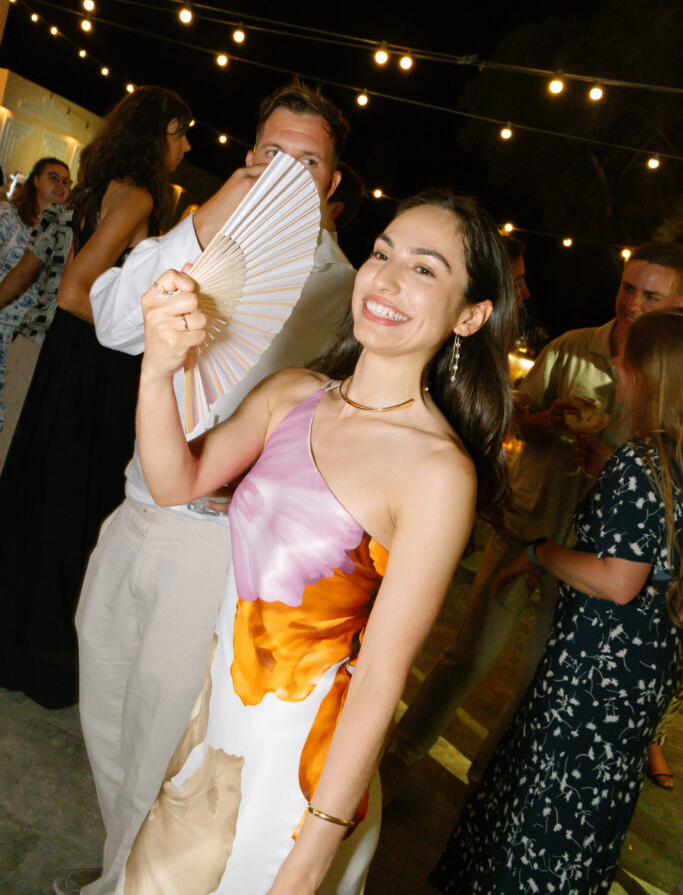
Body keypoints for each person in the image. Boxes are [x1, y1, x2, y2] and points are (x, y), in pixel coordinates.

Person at [113, 186, 516, 895]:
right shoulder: (290, 394)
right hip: (211, 733)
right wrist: (158, 368)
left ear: (470, 315)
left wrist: (312, 848)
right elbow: (177, 481)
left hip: (299, 782)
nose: (386, 279)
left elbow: (383, 675)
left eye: (424, 269)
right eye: (382, 253)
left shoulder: (436, 472)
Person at [72, 83, 357, 895]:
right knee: (105, 701)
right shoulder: (205, 237)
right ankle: (122, 865)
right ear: (247, 156)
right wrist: (197, 228)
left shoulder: (338, 290)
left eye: (308, 162)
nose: (286, 172)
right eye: (272, 153)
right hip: (135, 506)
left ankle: (121, 883)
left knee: (161, 733)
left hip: (212, 540)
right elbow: (111, 315)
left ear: (332, 184)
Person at [381, 240, 683, 800]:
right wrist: (546, 419)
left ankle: (489, 788)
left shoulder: (673, 374)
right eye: (628, 287)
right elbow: (517, 418)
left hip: (593, 558)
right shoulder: (574, 348)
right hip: (529, 522)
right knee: (467, 655)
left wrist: (608, 463)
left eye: (651, 294)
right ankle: (398, 761)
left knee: (539, 682)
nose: (634, 303)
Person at [431, 308, 683, 895]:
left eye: (624, 363)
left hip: (594, 671)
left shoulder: (642, 459)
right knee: (589, 809)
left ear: (649, 376)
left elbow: (619, 579)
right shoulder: (668, 461)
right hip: (643, 671)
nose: (614, 371)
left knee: (545, 797)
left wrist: (541, 553)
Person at [0, 86, 192, 711]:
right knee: (69, 503)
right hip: (92, 365)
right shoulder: (135, 194)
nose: (186, 145)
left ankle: (22, 640)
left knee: (48, 493)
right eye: (178, 132)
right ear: (153, 135)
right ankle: (36, 651)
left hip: (77, 361)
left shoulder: (110, 187)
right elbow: (75, 292)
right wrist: (144, 329)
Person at [0, 157, 71, 431]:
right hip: (2, 316)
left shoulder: (63, 229)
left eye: (66, 181)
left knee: (10, 410)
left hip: (27, 333)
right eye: (53, 177)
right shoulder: (7, 215)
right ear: (36, 180)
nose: (61, 185)